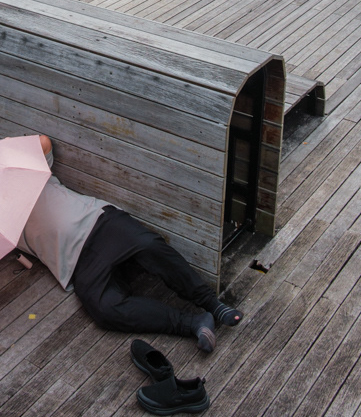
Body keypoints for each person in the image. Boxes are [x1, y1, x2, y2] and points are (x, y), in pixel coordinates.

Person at [17, 135, 242, 352]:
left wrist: (9, 148)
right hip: (76, 264)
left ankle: (212, 304)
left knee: (149, 246)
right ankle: (193, 323)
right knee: (104, 309)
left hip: (99, 224)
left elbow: (43, 141)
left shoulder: (26, 176)